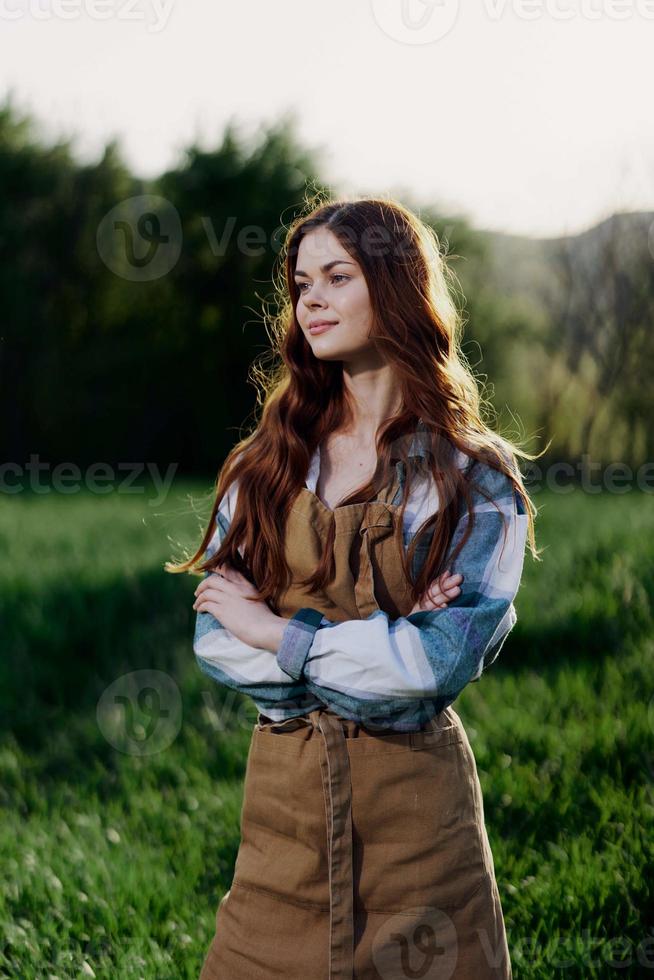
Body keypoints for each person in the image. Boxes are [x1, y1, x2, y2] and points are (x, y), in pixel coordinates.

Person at [168, 196, 542, 979]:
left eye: (338, 276)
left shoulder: (473, 480)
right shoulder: (266, 463)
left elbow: (429, 672)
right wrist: (379, 642)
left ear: (397, 287)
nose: (311, 300)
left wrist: (277, 630)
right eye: (301, 283)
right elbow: (213, 640)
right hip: (283, 823)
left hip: (417, 839)